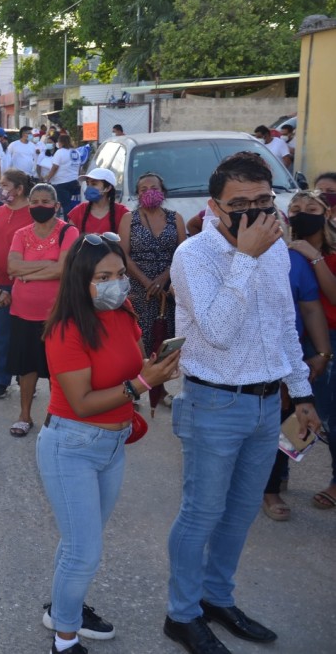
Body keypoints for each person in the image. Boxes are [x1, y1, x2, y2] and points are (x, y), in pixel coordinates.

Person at [164, 152, 321, 654]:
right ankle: (182, 614)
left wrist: (302, 393)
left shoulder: (275, 249)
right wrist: (246, 258)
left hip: (264, 405)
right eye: (240, 204)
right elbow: (217, 332)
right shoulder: (193, 255)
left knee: (238, 515)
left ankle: (217, 597)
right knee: (201, 513)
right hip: (213, 403)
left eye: (262, 200)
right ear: (214, 206)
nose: (254, 211)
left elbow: (283, 327)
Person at [40, 231, 180, 654]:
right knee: (84, 550)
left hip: (113, 446)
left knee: (81, 542)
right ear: (81, 279)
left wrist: (153, 368)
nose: (116, 283)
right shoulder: (65, 328)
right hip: (72, 446)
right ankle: (64, 639)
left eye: (120, 273)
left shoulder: (125, 310)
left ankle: (63, 608)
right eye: (104, 276)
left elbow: (131, 364)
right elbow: (81, 403)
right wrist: (142, 384)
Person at [7, 184, 77, 436]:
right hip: (23, 312)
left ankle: (55, 416)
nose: (39, 206)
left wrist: (29, 272)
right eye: (34, 201)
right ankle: (24, 415)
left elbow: (63, 269)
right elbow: (12, 268)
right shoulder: (21, 233)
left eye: (45, 201)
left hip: (58, 313)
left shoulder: (68, 232)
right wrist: (46, 264)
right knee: (27, 367)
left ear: (57, 206)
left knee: (58, 368)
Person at [284, 188, 336, 512]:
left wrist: (312, 256)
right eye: (296, 207)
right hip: (293, 337)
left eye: (311, 207)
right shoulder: (279, 249)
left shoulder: (329, 253)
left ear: (327, 214)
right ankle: (278, 475)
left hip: (330, 339)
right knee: (290, 409)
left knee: (330, 416)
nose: (302, 212)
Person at [119, 173, 186, 408]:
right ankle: (133, 389)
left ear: (163, 191)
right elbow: (123, 255)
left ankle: (161, 388)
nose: (149, 191)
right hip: (140, 288)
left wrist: (163, 278)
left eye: (154, 187)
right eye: (143, 188)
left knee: (164, 340)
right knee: (138, 341)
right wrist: (147, 281)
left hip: (168, 290)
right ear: (138, 194)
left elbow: (182, 253)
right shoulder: (130, 219)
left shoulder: (175, 218)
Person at [0, 169, 35, 400]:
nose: (0, 189)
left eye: (5, 185)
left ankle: (25, 379)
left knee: (25, 336)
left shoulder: (34, 214)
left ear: (19, 189)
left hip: (26, 286)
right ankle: (0, 381)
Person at [67, 168, 129, 236]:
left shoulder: (122, 212)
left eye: (94, 184)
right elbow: (70, 239)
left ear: (107, 188)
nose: (89, 188)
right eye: (88, 184)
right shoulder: (78, 211)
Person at [46, 135, 83, 210]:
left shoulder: (60, 152)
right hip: (74, 181)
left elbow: (55, 167)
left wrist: (48, 178)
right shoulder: (76, 152)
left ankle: (67, 221)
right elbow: (79, 167)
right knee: (74, 205)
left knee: (66, 206)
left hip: (61, 183)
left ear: (61, 142)